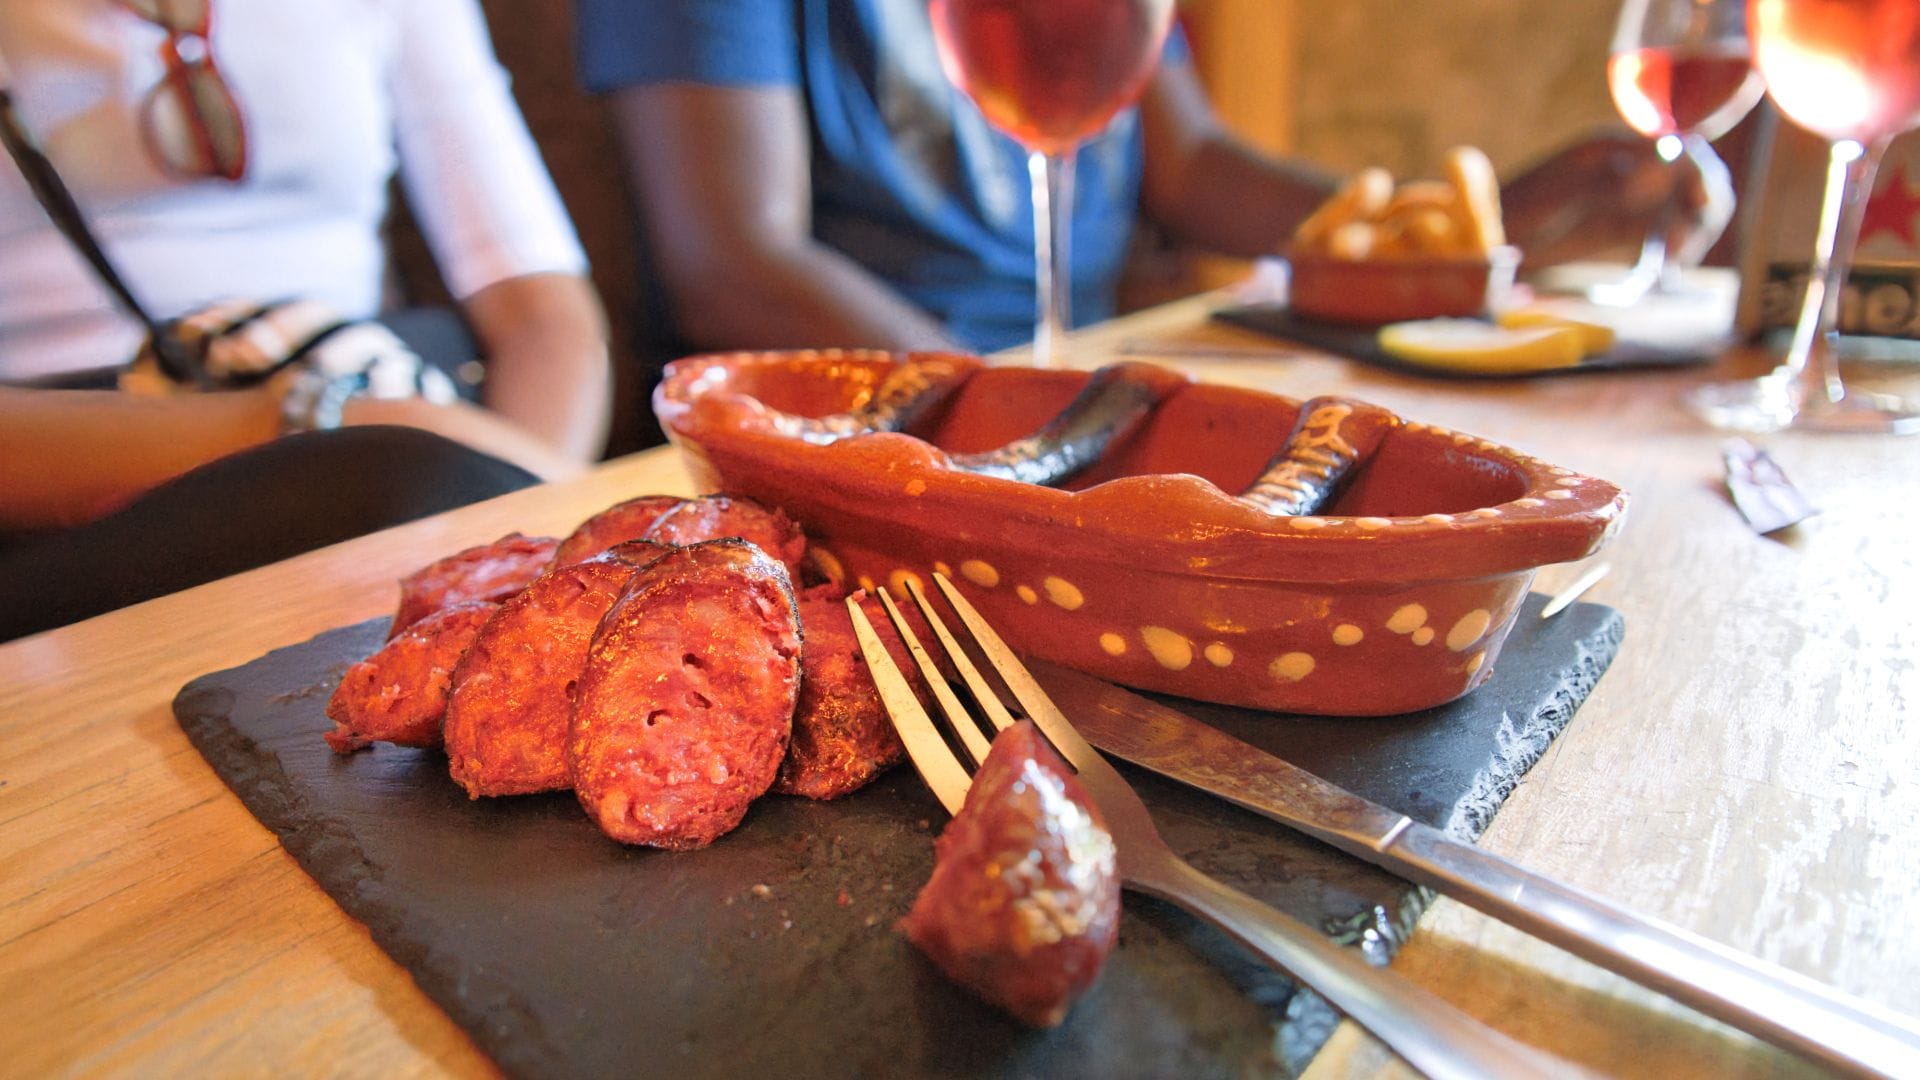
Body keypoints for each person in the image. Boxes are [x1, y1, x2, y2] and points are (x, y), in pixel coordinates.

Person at [574, 1, 1710, 355]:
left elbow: (1195, 162)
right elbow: (736, 265)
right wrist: (1015, 424)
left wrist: (1468, 234)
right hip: (875, 425)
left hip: (1077, 380)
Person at [0, 0, 609, 638]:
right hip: (71, 466)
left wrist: (533, 536)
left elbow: (542, 314)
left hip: (383, 420)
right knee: (399, 491)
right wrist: (320, 423)